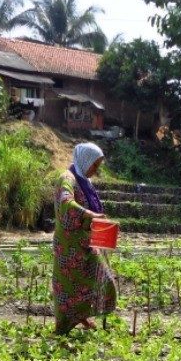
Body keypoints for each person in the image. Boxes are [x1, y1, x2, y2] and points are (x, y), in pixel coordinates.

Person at [53, 143, 117, 335]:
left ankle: (81, 315)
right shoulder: (67, 179)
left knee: (105, 282)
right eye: (95, 165)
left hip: (88, 244)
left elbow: (94, 212)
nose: (96, 171)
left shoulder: (84, 181)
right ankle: (70, 321)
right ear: (85, 160)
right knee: (69, 288)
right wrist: (89, 213)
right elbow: (65, 202)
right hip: (70, 247)